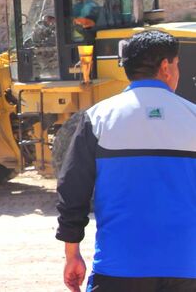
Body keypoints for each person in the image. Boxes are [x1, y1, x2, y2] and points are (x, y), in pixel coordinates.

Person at [56, 31, 196, 292]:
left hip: (118, 268)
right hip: (188, 267)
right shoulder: (192, 117)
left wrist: (72, 253)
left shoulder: (97, 118)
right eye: (177, 64)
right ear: (166, 67)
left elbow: (72, 189)